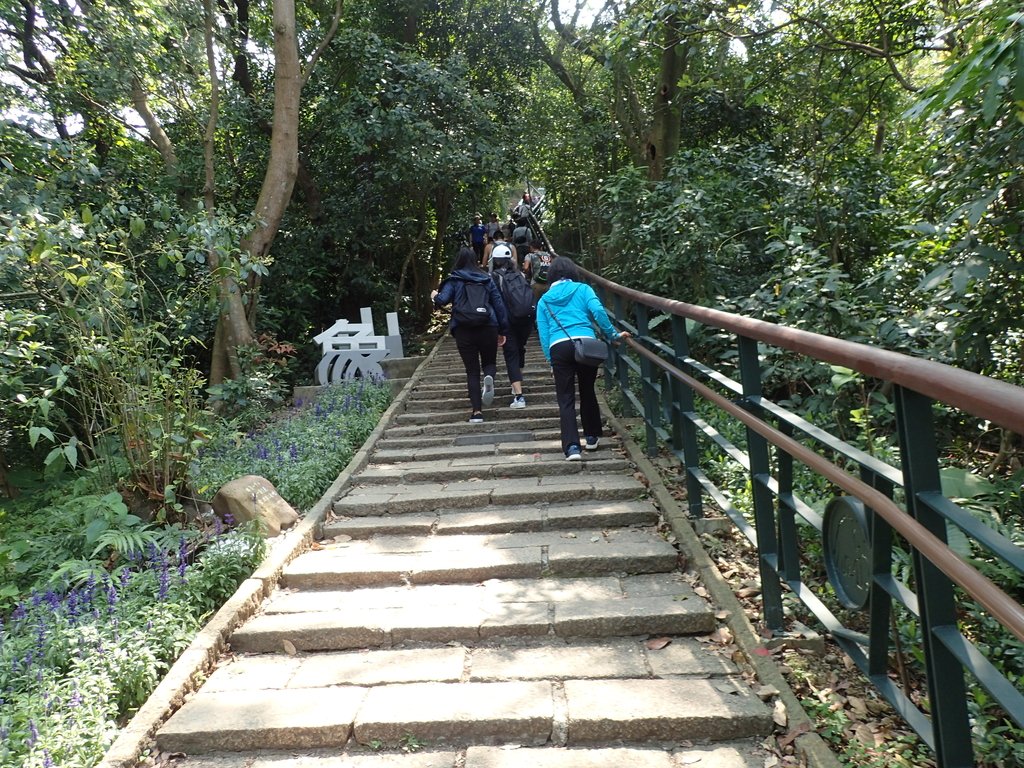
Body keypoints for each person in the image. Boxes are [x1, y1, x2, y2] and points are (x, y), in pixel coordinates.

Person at [536, 256, 631, 460]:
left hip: (558, 347)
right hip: (585, 344)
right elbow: (597, 310)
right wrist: (612, 334)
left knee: (566, 398)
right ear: (573, 273)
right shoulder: (583, 289)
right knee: (587, 390)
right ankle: (591, 437)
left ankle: (571, 448)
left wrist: (550, 360)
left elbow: (543, 334)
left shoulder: (544, 299)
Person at [431, 247, 509, 423]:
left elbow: (443, 300)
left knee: (472, 371)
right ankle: (489, 378)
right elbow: (499, 305)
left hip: (464, 328)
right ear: (475, 260)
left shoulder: (454, 279)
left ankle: (477, 413)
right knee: (489, 362)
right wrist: (503, 330)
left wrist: (434, 295)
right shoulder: (487, 279)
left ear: (458, 260)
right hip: (488, 325)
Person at [490, 252, 532, 409]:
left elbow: (494, 302)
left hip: (507, 322)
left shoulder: (493, 277)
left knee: (511, 355)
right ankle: (517, 381)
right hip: (525, 320)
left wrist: (497, 328)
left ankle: (519, 396)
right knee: (520, 349)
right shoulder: (520, 274)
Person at [523, 239, 554, 303]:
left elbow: (525, 268)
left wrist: (529, 274)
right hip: (548, 284)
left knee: (536, 303)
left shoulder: (530, 255)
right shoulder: (549, 255)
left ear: (531, 247)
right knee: (548, 303)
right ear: (541, 247)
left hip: (535, 283)